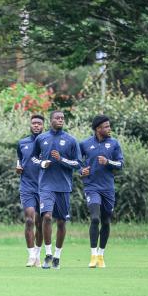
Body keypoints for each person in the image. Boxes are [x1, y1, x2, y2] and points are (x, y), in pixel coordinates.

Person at [31, 110, 81, 270]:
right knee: (46, 217)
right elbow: (33, 157)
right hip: (46, 186)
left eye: (62, 118)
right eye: (57, 118)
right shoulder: (41, 138)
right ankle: (48, 254)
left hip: (64, 187)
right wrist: (41, 163)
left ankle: (57, 256)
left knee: (61, 222)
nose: (60, 120)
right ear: (51, 120)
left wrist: (62, 159)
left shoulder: (71, 140)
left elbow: (78, 164)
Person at [80, 115, 123, 268]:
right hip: (91, 187)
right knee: (95, 219)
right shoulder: (84, 144)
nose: (109, 129)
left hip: (108, 189)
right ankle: (92, 255)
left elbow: (120, 164)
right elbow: (77, 162)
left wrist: (108, 162)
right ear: (98, 129)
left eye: (109, 126)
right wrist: (81, 171)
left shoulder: (114, 144)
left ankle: (101, 255)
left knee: (105, 221)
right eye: (106, 126)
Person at [16, 114, 44, 267]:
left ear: (43, 125)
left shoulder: (48, 142)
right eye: (34, 123)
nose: (36, 126)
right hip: (27, 186)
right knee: (29, 219)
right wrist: (18, 167)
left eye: (39, 123)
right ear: (30, 125)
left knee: (40, 223)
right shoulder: (22, 143)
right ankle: (31, 254)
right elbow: (20, 160)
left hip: (45, 187)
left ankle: (38, 254)